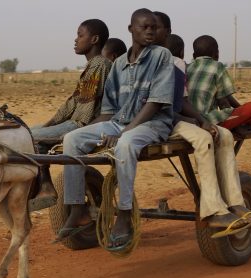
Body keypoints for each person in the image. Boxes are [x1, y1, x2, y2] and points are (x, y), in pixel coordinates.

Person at [57, 8, 175, 250]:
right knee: (71, 140)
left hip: (152, 123)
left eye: (153, 27)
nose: (150, 31)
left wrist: (123, 131)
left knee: (126, 143)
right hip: (119, 121)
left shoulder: (161, 56)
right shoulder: (119, 64)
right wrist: (89, 131)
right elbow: (109, 110)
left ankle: (124, 214)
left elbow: (155, 103)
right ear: (131, 29)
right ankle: (78, 209)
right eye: (144, 27)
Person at [153, 12, 251, 237]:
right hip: (166, 121)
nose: (150, 32)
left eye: (155, 28)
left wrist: (200, 120)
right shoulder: (171, 63)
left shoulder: (181, 65)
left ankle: (235, 203)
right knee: (209, 136)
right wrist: (200, 120)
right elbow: (169, 106)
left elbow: (183, 100)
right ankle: (214, 210)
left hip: (183, 117)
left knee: (223, 135)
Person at [30, 19, 112, 209]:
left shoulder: (99, 65)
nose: (76, 40)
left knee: (28, 136)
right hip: (76, 121)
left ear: (94, 39)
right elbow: (72, 102)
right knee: (30, 132)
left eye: (80, 35)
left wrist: (55, 127)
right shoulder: (91, 66)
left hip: (82, 125)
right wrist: (49, 124)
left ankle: (45, 187)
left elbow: (84, 109)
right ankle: (44, 186)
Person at [188, 35, 251, 131]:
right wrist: (242, 116)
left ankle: (244, 122)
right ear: (217, 54)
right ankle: (247, 126)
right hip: (208, 122)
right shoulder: (217, 66)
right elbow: (223, 103)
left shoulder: (187, 67)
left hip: (188, 121)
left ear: (194, 56)